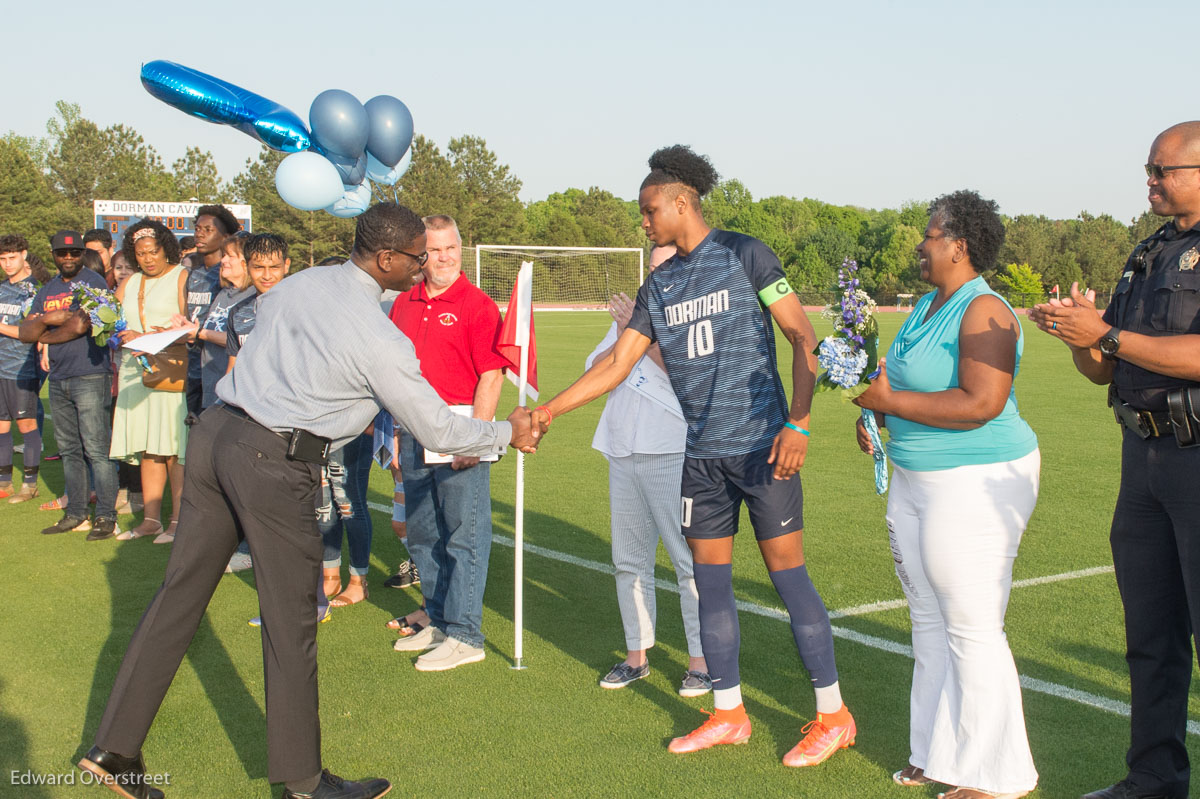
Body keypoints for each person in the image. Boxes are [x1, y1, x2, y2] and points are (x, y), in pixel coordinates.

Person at [76, 202, 541, 799]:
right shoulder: (381, 337)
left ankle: (114, 749)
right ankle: (303, 782)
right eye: (419, 258)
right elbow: (440, 432)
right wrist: (509, 432)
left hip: (216, 435)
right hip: (272, 461)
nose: (425, 267)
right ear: (389, 258)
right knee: (292, 620)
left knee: (178, 594)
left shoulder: (304, 282)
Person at [530, 146, 854, 765]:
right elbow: (618, 364)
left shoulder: (746, 252)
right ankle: (729, 714)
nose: (644, 222)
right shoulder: (661, 282)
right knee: (711, 589)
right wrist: (549, 411)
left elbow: (801, 335)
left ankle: (833, 715)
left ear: (682, 201)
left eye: (649, 210)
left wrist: (800, 423)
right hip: (701, 460)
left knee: (791, 582)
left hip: (764, 450)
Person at [1030, 121, 1200, 799]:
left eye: (1164, 170)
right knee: (1150, 634)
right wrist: (1079, 332)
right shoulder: (1151, 250)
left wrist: (1110, 333)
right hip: (1144, 458)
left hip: (1196, 459)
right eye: (1149, 169)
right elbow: (1106, 368)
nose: (1151, 180)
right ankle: (1154, 780)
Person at [853, 191, 1040, 799]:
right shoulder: (928, 304)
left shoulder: (986, 309)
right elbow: (904, 382)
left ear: (959, 245)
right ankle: (936, 754)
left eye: (930, 235)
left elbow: (980, 404)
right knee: (929, 621)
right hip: (914, 479)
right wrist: (879, 420)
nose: (920, 244)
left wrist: (889, 404)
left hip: (976, 482)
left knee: (973, 627)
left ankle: (997, 778)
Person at [584, 244, 710, 696]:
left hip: (671, 451)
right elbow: (598, 373)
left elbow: (692, 381)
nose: (656, 274)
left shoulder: (696, 321)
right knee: (628, 561)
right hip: (623, 450)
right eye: (652, 267)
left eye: (666, 266)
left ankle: (700, 661)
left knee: (688, 562)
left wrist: (644, 340)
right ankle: (636, 655)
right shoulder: (633, 315)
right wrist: (625, 332)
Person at [387, 214, 512, 672]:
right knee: (423, 533)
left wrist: (474, 440)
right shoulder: (404, 302)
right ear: (420, 255)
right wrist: (396, 435)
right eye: (434, 250)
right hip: (414, 433)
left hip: (460, 437)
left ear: (461, 250)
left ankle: (465, 634)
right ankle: (438, 620)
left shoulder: (477, 305)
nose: (443, 258)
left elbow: (491, 376)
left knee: (465, 536)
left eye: (450, 249)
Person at [19, 230, 119, 539]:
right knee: (69, 449)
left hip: (90, 374)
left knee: (97, 450)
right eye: (62, 253)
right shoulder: (47, 287)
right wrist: (54, 317)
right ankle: (76, 513)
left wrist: (46, 326)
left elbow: (79, 325)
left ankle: (105, 516)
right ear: (52, 255)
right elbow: (25, 332)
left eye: (74, 252)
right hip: (60, 377)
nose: (68, 258)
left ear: (80, 253)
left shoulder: (94, 282)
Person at [110, 220, 189, 543]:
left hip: (169, 371)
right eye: (140, 254)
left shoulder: (181, 277)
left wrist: (146, 337)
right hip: (133, 373)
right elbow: (112, 318)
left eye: (153, 251)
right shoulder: (129, 282)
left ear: (165, 248)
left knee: (173, 448)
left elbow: (190, 327)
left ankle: (178, 520)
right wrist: (111, 332)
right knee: (149, 448)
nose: (147, 259)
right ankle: (151, 520)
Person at [222, 233, 292, 573]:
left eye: (274, 267)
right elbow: (233, 370)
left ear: (287, 266)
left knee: (300, 502)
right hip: (253, 419)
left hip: (296, 420)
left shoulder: (303, 308)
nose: (266, 275)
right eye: (258, 267)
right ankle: (255, 552)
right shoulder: (239, 314)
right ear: (248, 268)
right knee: (254, 492)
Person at [173, 233, 255, 412]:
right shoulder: (224, 293)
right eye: (223, 255)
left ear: (247, 261)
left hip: (234, 393)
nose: (223, 260)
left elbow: (243, 339)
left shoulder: (253, 296)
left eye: (230, 256)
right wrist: (188, 330)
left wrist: (199, 333)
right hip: (211, 386)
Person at [183, 205, 240, 421]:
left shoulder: (229, 276)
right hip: (194, 365)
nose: (200, 234)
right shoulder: (194, 275)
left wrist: (200, 333)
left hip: (219, 364)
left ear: (225, 237)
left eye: (208, 230)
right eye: (198, 228)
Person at [0, 234, 42, 503]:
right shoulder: (2, 288)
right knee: (1, 426)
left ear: (24, 255)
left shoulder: (33, 291)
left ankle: (30, 484)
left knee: (26, 425)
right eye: (2, 258)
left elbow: (31, 332)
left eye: (12, 257)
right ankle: (4, 482)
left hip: (22, 368)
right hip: (0, 368)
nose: (7, 263)